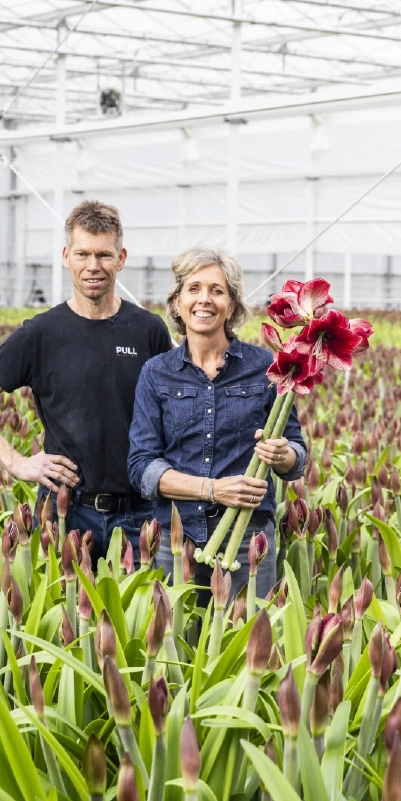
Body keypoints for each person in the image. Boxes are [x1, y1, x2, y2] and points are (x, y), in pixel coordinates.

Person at [0, 200, 173, 562]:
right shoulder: (41, 333)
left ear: (122, 257)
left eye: (104, 254)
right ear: (66, 255)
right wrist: (17, 462)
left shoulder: (149, 331)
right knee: (68, 612)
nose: (93, 266)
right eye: (83, 254)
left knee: (140, 618)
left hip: (140, 513)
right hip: (67, 511)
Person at [128, 247, 307, 605]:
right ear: (177, 303)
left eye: (217, 290)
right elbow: (141, 468)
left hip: (247, 537)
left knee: (245, 648)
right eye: (193, 289)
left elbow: (297, 458)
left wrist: (283, 455)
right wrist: (212, 489)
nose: (204, 300)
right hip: (174, 539)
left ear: (233, 305)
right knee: (173, 646)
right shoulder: (156, 372)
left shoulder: (268, 367)